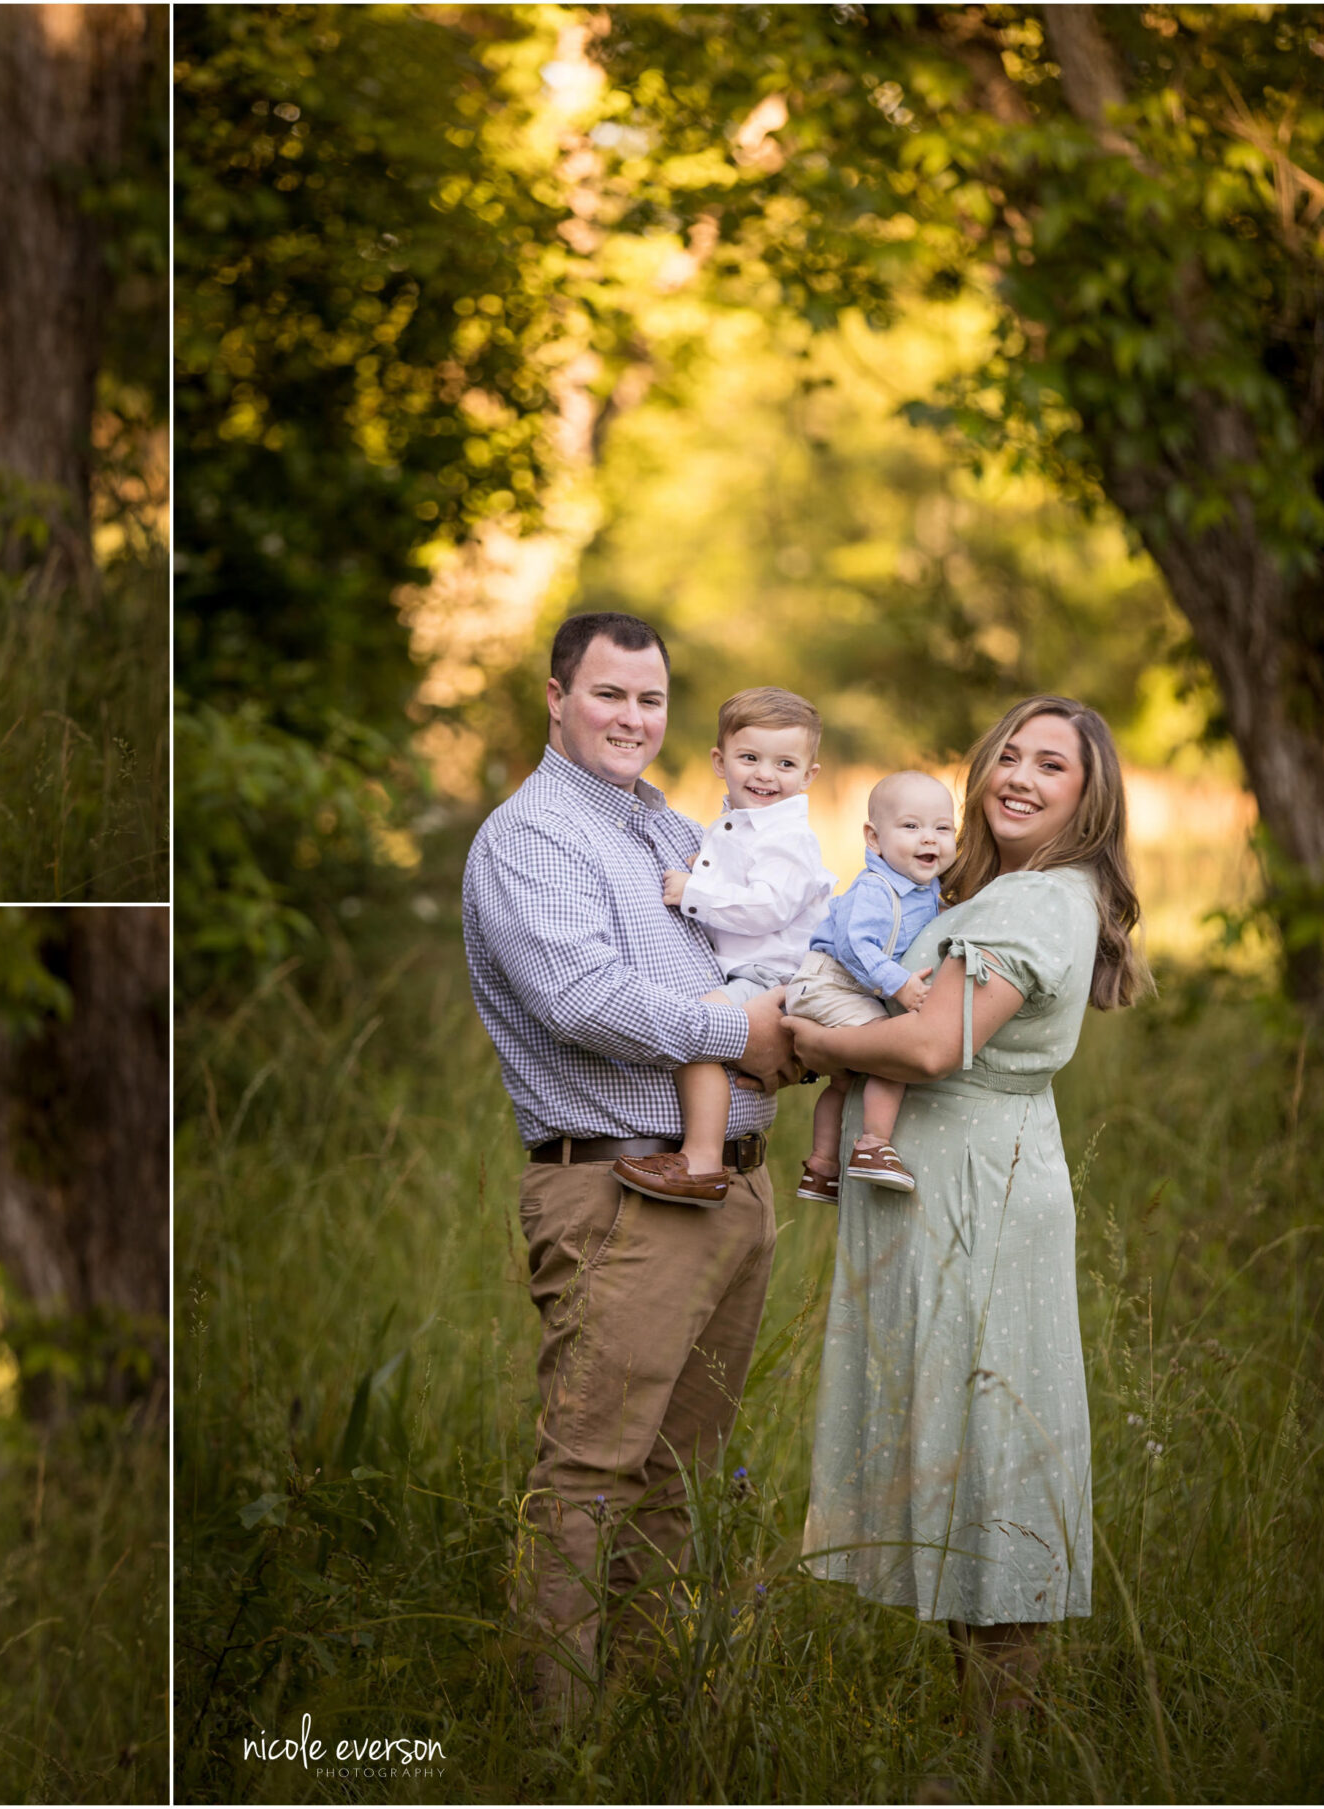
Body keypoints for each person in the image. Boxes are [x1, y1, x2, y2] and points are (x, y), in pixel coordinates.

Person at [459, 611, 802, 1719]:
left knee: (679, 1480)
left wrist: (793, 1033)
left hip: (727, 1185)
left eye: (650, 700)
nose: (631, 718)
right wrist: (742, 1035)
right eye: (609, 695)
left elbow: (743, 960)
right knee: (592, 1473)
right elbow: (581, 1002)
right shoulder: (533, 837)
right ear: (555, 696)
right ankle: (560, 1749)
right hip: (619, 1193)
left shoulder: (666, 827)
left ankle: (647, 1726)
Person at [786, 696, 1148, 1729]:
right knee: (965, 1438)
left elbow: (933, 1047)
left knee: (993, 1444)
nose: (1021, 778)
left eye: (1053, 766)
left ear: (1089, 797)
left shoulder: (1031, 906)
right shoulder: (1010, 890)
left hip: (979, 1198)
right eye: (1010, 756)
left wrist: (802, 1041)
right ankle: (984, 1737)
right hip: (960, 1184)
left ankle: (995, 1756)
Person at [612, 686, 835, 1204]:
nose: (765, 774)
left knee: (700, 1030)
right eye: (750, 758)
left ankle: (702, 1160)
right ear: (720, 760)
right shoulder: (736, 828)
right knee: (708, 1032)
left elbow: (768, 908)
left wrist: (696, 893)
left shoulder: (789, 838)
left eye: (785, 764)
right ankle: (707, 1153)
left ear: (809, 776)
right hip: (751, 971)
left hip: (773, 974)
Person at [788, 770, 958, 1201]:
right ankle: (873, 1147)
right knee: (892, 1054)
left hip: (844, 991)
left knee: (844, 1083)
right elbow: (853, 945)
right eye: (911, 826)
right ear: (874, 837)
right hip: (830, 984)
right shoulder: (877, 888)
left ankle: (822, 1167)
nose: (929, 840)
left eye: (943, 828)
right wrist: (897, 983)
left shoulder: (925, 889)